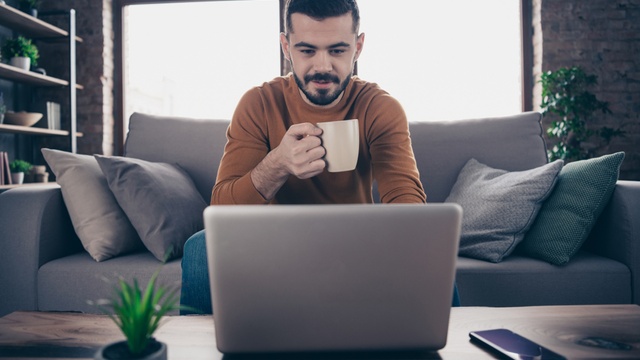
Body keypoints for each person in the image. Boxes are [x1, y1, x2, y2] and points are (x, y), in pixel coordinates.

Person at [180, 0, 460, 314]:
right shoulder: (258, 103)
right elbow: (220, 211)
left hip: (358, 246)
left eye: (338, 50)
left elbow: (406, 200)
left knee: (431, 247)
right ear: (286, 46)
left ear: (359, 46)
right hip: (271, 248)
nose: (323, 67)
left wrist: (413, 238)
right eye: (307, 51)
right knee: (201, 247)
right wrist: (278, 163)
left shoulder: (379, 106)